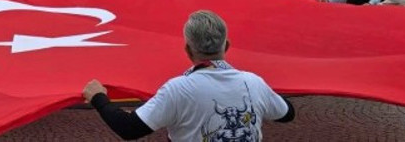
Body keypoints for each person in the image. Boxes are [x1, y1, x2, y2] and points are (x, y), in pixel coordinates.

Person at [83, 10, 294, 140]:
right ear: (227, 45)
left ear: (188, 50)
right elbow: (288, 113)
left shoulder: (177, 89)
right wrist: (263, 94)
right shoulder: (254, 83)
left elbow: (129, 128)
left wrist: (98, 97)